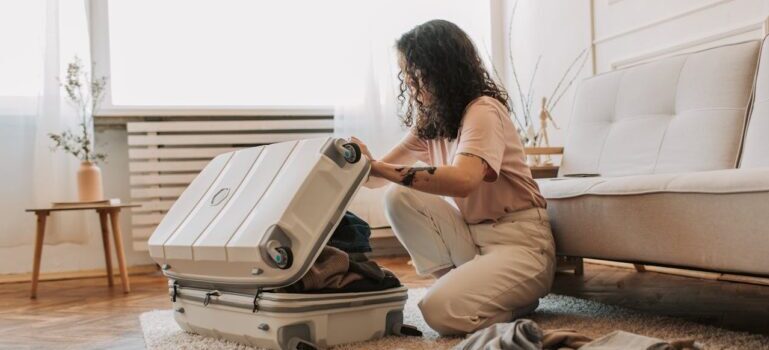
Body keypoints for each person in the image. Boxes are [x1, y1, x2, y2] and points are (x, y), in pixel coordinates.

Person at [349, 19, 555, 336]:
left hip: (521, 243)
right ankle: (463, 287)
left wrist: (377, 167)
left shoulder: (483, 110)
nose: (409, 83)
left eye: (414, 73)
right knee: (398, 195)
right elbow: (376, 179)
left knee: (439, 312)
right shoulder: (432, 125)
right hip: (472, 239)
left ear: (441, 70)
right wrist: (357, 161)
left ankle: (514, 305)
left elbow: (464, 179)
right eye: (405, 74)